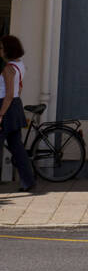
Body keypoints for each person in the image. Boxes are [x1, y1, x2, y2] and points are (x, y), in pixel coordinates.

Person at [0, 36, 36, 193]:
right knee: (17, 147)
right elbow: (18, 90)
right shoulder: (20, 65)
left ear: (8, 49)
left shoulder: (8, 68)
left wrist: (0, 114)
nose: (0, 51)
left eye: (1, 47)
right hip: (15, 105)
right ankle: (28, 181)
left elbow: (7, 94)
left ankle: (28, 181)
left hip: (5, 106)